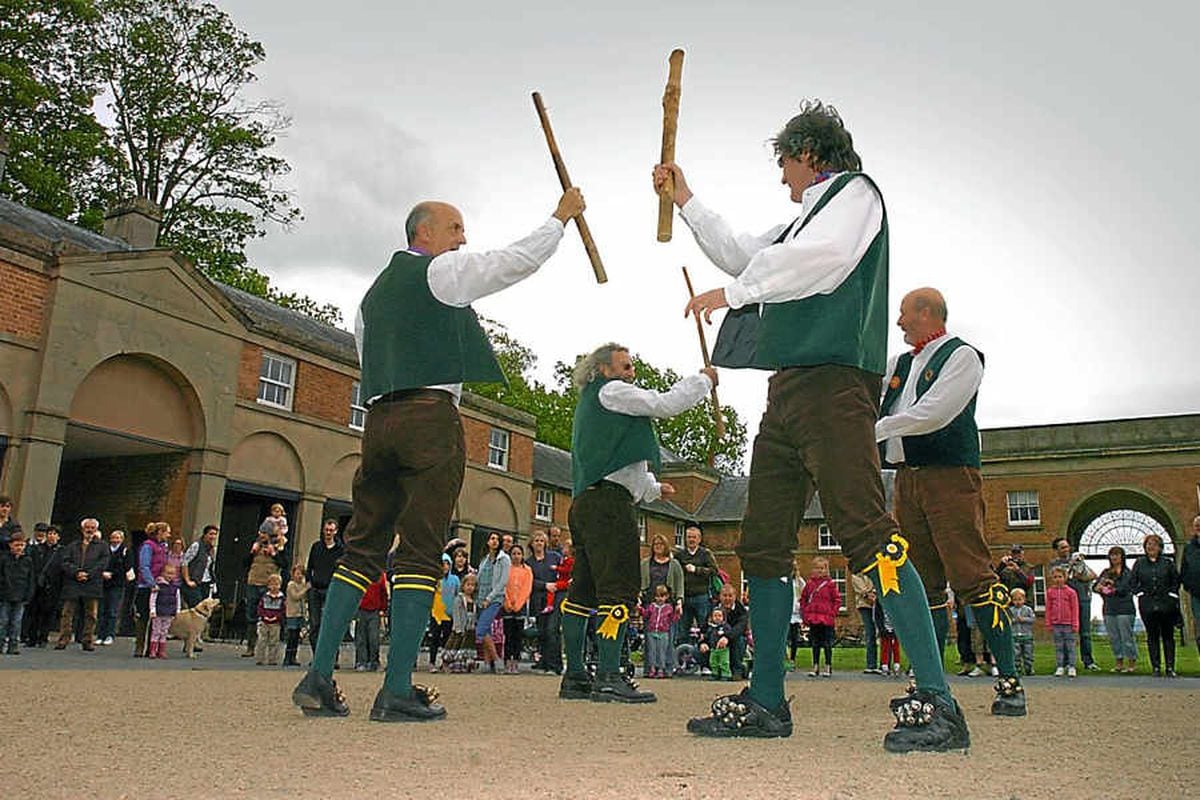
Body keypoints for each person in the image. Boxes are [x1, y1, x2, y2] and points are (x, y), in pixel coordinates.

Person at [666, 100, 968, 750]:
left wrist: (737, 295)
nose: (782, 178)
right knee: (764, 542)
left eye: (785, 163)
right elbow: (744, 253)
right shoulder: (798, 225)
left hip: (835, 386)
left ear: (810, 154)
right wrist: (685, 197)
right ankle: (768, 701)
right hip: (791, 392)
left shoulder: (855, 195)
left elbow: (821, 258)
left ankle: (939, 701)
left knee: (864, 529)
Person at [291, 187, 585, 721]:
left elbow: (371, 360)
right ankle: (397, 688)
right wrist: (559, 220)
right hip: (429, 418)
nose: (463, 238)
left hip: (378, 421)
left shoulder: (370, 301)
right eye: (455, 229)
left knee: (360, 548)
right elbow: (509, 264)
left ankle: (318, 676)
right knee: (421, 551)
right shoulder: (438, 273)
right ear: (422, 233)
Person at [876, 287, 1027, 714]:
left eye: (904, 314)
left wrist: (876, 430)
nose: (900, 322)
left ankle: (1010, 681)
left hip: (950, 478)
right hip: (906, 480)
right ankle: (930, 682)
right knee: (921, 583)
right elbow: (868, 400)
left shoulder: (962, 356)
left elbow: (935, 413)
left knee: (973, 576)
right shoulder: (898, 366)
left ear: (926, 312)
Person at [559, 342, 715, 705]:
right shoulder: (613, 392)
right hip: (610, 507)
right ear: (602, 370)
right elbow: (664, 404)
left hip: (587, 501)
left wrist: (654, 488)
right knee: (619, 588)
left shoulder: (594, 405)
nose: (632, 372)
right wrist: (703, 381)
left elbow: (618, 465)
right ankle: (610, 675)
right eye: (625, 366)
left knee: (582, 590)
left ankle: (576, 674)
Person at [1130, 533, 1181, 677]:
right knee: (1152, 636)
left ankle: (1170, 667)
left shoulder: (1168, 563)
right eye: (1148, 544)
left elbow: (1175, 580)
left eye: (1153, 544)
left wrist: (1172, 594)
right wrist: (1139, 593)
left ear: (1160, 547)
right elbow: (1133, 581)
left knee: (1168, 636)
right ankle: (1156, 667)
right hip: (1147, 605)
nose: (1150, 547)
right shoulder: (1139, 563)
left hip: (1166, 604)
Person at [55, 518, 108, 651]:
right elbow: (65, 562)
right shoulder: (72, 545)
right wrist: (77, 572)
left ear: (96, 530)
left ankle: (87, 640)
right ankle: (64, 639)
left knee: (91, 614)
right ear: (82, 529)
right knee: (67, 613)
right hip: (73, 583)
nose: (89, 530)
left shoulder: (102, 546)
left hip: (92, 584)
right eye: (87, 527)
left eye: (92, 528)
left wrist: (88, 574)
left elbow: (103, 563)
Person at [1047, 537, 1099, 670]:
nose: (1066, 549)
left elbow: (1092, 575)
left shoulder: (1079, 561)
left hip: (1083, 598)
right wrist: (1072, 566)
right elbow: (1062, 576)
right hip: (1065, 602)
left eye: (1067, 546)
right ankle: (1065, 663)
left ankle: (1088, 661)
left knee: (1085, 632)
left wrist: (1079, 572)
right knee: (1065, 633)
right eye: (1062, 547)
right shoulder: (1054, 564)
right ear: (1056, 550)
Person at [243, 525, 288, 657]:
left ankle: (271, 648)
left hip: (269, 585)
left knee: (270, 616)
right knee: (251, 615)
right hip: (253, 582)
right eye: (261, 532)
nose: (261, 535)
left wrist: (274, 554)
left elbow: (285, 564)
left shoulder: (279, 546)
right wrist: (251, 553)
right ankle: (251, 646)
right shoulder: (255, 546)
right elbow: (244, 563)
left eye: (264, 532)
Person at [674, 524, 718, 646]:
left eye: (694, 537)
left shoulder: (706, 554)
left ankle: (704, 658)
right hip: (685, 597)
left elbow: (714, 571)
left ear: (699, 539)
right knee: (682, 631)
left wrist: (697, 570)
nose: (691, 540)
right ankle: (682, 660)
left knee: (704, 629)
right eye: (689, 537)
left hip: (701, 597)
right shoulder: (679, 555)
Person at [1094, 546, 1136, 672]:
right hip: (1109, 608)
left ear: (1122, 557)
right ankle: (1118, 662)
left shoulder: (1127, 573)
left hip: (1125, 608)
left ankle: (1131, 662)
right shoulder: (1106, 572)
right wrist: (1100, 587)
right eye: (1112, 555)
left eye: (1117, 554)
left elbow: (1124, 589)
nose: (1114, 557)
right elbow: (1096, 586)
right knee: (1114, 637)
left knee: (1126, 637)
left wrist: (1111, 588)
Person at [305, 519, 343, 660]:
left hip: (331, 590)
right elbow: (309, 566)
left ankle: (332, 657)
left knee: (331, 624)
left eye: (331, 530)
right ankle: (317, 657)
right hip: (315, 589)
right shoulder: (316, 547)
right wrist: (308, 582)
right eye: (326, 530)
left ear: (336, 531)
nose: (328, 533)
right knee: (315, 624)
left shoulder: (340, 550)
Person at [527, 530, 563, 674]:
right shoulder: (528, 562)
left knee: (552, 630)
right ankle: (544, 661)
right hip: (538, 599)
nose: (539, 543)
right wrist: (544, 585)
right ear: (532, 544)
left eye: (542, 541)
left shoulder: (555, 557)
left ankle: (555, 665)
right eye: (536, 541)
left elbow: (564, 572)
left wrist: (557, 585)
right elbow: (529, 581)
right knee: (542, 631)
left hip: (555, 598)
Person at [800, 556, 840, 678]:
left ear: (826, 570)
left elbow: (837, 600)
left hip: (826, 619)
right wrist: (805, 613)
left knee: (827, 643)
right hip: (813, 617)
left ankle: (828, 665)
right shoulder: (809, 584)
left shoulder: (830, 585)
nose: (819, 571)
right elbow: (804, 599)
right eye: (817, 568)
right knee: (815, 643)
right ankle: (815, 665)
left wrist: (833, 613)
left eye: (822, 568)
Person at [0, 531, 36, 654]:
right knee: (3, 621)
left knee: (16, 622)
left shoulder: (28, 560)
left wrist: (29, 594)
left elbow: (31, 579)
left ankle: (13, 645)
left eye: (21, 545)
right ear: (10, 545)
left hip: (21, 595)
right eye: (16, 545)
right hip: (5, 595)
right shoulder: (4, 559)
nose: (19, 548)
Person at [98, 529, 132, 646]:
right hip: (103, 583)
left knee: (112, 610)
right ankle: (100, 635)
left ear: (122, 540)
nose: (115, 540)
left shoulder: (125, 551)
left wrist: (112, 574)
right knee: (102, 610)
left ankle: (110, 634)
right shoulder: (105, 550)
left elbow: (127, 568)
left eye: (118, 538)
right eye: (113, 537)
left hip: (117, 584)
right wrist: (102, 572)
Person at [502, 543, 532, 674]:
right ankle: (507, 661)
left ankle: (515, 662)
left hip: (520, 606)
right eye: (513, 553)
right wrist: (507, 602)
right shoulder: (506, 569)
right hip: (507, 606)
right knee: (508, 635)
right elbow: (502, 585)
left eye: (519, 553)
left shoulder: (527, 570)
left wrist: (519, 604)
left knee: (518, 636)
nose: (516, 556)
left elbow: (527, 588)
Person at [1044, 566, 1079, 677]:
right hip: (1056, 624)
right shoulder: (1050, 592)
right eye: (1055, 577)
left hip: (1068, 624)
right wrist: (1049, 623)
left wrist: (1075, 624)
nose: (1058, 579)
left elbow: (1075, 609)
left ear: (1065, 577)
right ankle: (1060, 666)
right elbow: (1048, 609)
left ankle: (1072, 666)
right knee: (1059, 646)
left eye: (1060, 577)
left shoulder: (1071, 592)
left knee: (1070, 646)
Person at [427, 554, 459, 672]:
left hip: (449, 614)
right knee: (434, 638)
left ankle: (445, 663)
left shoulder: (455, 579)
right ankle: (432, 662)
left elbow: (457, 595)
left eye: (447, 564)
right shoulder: (435, 579)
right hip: (436, 614)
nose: (444, 566)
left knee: (447, 639)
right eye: (442, 564)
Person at [711, 584, 749, 679]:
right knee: (695, 650)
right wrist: (703, 642)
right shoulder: (713, 608)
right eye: (724, 595)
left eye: (730, 596)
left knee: (740, 640)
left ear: (735, 597)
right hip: (715, 642)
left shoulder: (742, 611)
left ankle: (738, 670)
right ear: (720, 596)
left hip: (733, 641)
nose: (727, 598)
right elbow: (705, 626)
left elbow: (740, 628)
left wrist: (726, 637)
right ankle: (713, 670)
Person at [443, 573, 478, 673]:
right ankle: (446, 663)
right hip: (460, 627)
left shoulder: (473, 601)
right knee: (454, 645)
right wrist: (458, 627)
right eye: (468, 585)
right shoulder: (459, 599)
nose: (470, 587)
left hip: (470, 628)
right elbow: (457, 614)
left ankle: (463, 665)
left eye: (472, 585)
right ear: (463, 586)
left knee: (466, 647)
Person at [641, 584, 678, 678]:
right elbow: (646, 615)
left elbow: (673, 619)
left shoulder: (669, 607)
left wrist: (677, 613)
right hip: (652, 631)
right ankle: (652, 668)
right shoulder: (651, 606)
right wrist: (640, 609)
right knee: (652, 651)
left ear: (666, 597)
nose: (660, 598)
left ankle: (661, 668)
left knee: (662, 651)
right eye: (657, 596)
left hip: (663, 632)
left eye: (662, 596)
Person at [147, 563, 181, 659]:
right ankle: (153, 650)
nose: (170, 576)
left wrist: (177, 610)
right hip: (158, 612)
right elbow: (153, 598)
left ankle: (161, 650)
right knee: (156, 631)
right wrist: (152, 609)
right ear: (163, 573)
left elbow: (177, 599)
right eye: (168, 573)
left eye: (172, 574)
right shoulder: (158, 585)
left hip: (169, 612)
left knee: (164, 632)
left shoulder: (175, 587)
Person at [1176, 515, 1200, 653]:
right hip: (1196, 593)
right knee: (1199, 628)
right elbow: (1184, 569)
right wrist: (1188, 586)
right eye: (1197, 525)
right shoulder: (1189, 547)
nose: (1198, 528)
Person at [354, 573, 388, 672]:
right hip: (361, 609)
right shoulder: (360, 573)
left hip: (375, 610)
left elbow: (383, 593)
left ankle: (374, 662)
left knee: (374, 638)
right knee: (361, 638)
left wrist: (383, 608)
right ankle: (361, 661)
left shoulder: (380, 576)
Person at [181, 525, 219, 609]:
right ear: (205, 535)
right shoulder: (196, 545)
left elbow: (210, 567)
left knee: (205, 609)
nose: (213, 537)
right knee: (196, 607)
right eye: (211, 534)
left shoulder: (212, 549)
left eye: (215, 534)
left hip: (206, 582)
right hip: (195, 582)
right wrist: (187, 580)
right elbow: (185, 562)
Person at [850, 571, 879, 674]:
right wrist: (867, 594)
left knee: (885, 633)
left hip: (879, 602)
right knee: (870, 633)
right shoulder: (858, 570)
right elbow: (857, 582)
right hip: (865, 604)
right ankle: (871, 664)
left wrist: (876, 593)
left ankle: (885, 664)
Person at [255, 572, 286, 666]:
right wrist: (264, 616)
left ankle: (272, 659)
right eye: (272, 584)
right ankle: (260, 659)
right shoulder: (265, 597)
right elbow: (260, 608)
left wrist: (277, 617)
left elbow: (283, 610)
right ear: (268, 585)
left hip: (275, 623)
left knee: (274, 641)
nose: (274, 587)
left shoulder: (282, 598)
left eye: (276, 584)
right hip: (264, 622)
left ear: (280, 585)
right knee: (262, 640)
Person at [283, 564, 309, 668]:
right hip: (292, 614)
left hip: (300, 614)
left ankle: (293, 657)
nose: (299, 576)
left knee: (296, 637)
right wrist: (305, 589)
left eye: (301, 574)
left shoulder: (302, 584)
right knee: (291, 636)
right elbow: (295, 596)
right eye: (297, 573)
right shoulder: (291, 585)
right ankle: (287, 657)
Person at [701, 607, 734, 681]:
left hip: (723, 649)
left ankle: (725, 675)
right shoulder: (710, 627)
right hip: (713, 649)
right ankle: (715, 674)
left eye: (719, 616)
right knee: (713, 662)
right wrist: (704, 642)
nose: (717, 618)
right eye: (715, 616)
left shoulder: (726, 627)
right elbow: (706, 636)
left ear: (723, 617)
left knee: (724, 662)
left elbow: (730, 635)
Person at [1009, 588, 1035, 676]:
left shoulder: (1028, 610)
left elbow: (1032, 619)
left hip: (1027, 635)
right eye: (1015, 600)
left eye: (1019, 599)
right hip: (1015, 635)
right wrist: (1014, 620)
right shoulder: (1011, 610)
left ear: (1024, 599)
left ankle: (1029, 668)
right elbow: (1008, 620)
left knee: (1028, 653)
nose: (1018, 602)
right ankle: (1017, 669)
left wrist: (1024, 619)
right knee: (1016, 654)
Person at [788, 566, 806, 669]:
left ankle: (792, 659)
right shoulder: (784, 581)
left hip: (795, 614)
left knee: (794, 638)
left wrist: (800, 606)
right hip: (785, 613)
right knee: (785, 638)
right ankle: (784, 659)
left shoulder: (799, 582)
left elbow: (805, 596)